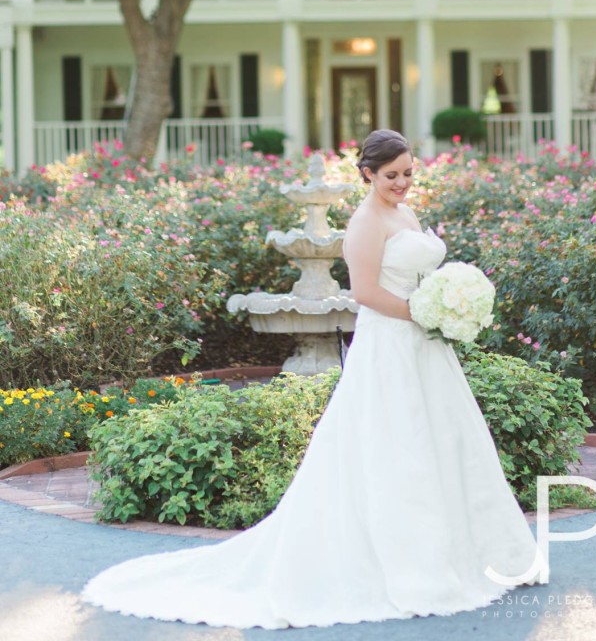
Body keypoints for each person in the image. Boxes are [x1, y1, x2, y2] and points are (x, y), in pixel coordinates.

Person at [81, 129, 540, 629]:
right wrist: (426, 312)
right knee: (397, 446)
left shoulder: (405, 213)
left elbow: (418, 274)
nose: (403, 183)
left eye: (409, 173)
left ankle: (473, 554)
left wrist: (450, 301)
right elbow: (365, 292)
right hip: (390, 346)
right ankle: (414, 567)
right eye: (392, 175)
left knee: (447, 442)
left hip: (426, 350)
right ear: (367, 173)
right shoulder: (364, 222)